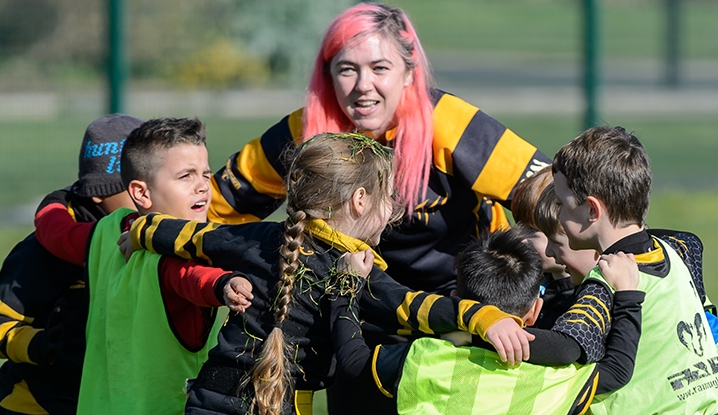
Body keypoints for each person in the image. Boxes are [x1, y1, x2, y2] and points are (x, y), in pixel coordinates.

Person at [206, 4, 550, 412]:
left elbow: (547, 196)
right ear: (327, 75)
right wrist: (230, 275)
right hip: (351, 312)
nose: (362, 86)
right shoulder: (308, 131)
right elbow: (213, 207)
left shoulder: (451, 122)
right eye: (347, 69)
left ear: (410, 73)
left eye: (380, 68)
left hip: (455, 312)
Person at [125, 132, 534, 415]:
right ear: (360, 200)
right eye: (388, 197)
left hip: (207, 399)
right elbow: (418, 307)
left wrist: (139, 232)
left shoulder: (262, 237)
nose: (392, 209)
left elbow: (191, 237)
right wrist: (484, 317)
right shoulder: (354, 272)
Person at [32, 117, 253, 415]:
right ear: (141, 193)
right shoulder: (183, 251)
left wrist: (57, 199)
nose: (202, 186)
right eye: (186, 176)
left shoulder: (105, 231)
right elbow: (187, 276)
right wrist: (223, 284)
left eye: (205, 173)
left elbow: (55, 230)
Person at [371, 226, 644, 415]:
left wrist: (340, 301)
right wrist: (627, 294)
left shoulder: (423, 358)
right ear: (535, 311)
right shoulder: (556, 379)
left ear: (455, 299)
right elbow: (618, 370)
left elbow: (353, 360)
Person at [0, 114, 143, 415]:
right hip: (35, 405)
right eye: (134, 188)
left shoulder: (149, 236)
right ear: (98, 193)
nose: (147, 197)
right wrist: (40, 346)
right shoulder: (43, 250)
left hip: (107, 400)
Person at [552, 125, 718, 413]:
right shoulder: (675, 250)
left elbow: (568, 347)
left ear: (592, 210)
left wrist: (489, 330)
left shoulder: (607, 279)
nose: (559, 215)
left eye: (561, 203)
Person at [510, 165, 575, 329]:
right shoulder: (534, 285)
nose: (521, 239)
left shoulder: (587, 300)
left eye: (532, 230)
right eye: (520, 226)